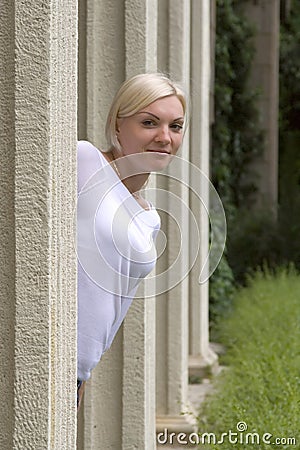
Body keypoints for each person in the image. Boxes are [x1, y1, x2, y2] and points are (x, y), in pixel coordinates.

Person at [76, 73, 187, 410]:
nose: (164, 137)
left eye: (176, 126)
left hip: (77, 372)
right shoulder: (84, 162)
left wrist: (82, 373)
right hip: (35, 353)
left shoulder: (148, 216)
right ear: (118, 125)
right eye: (149, 122)